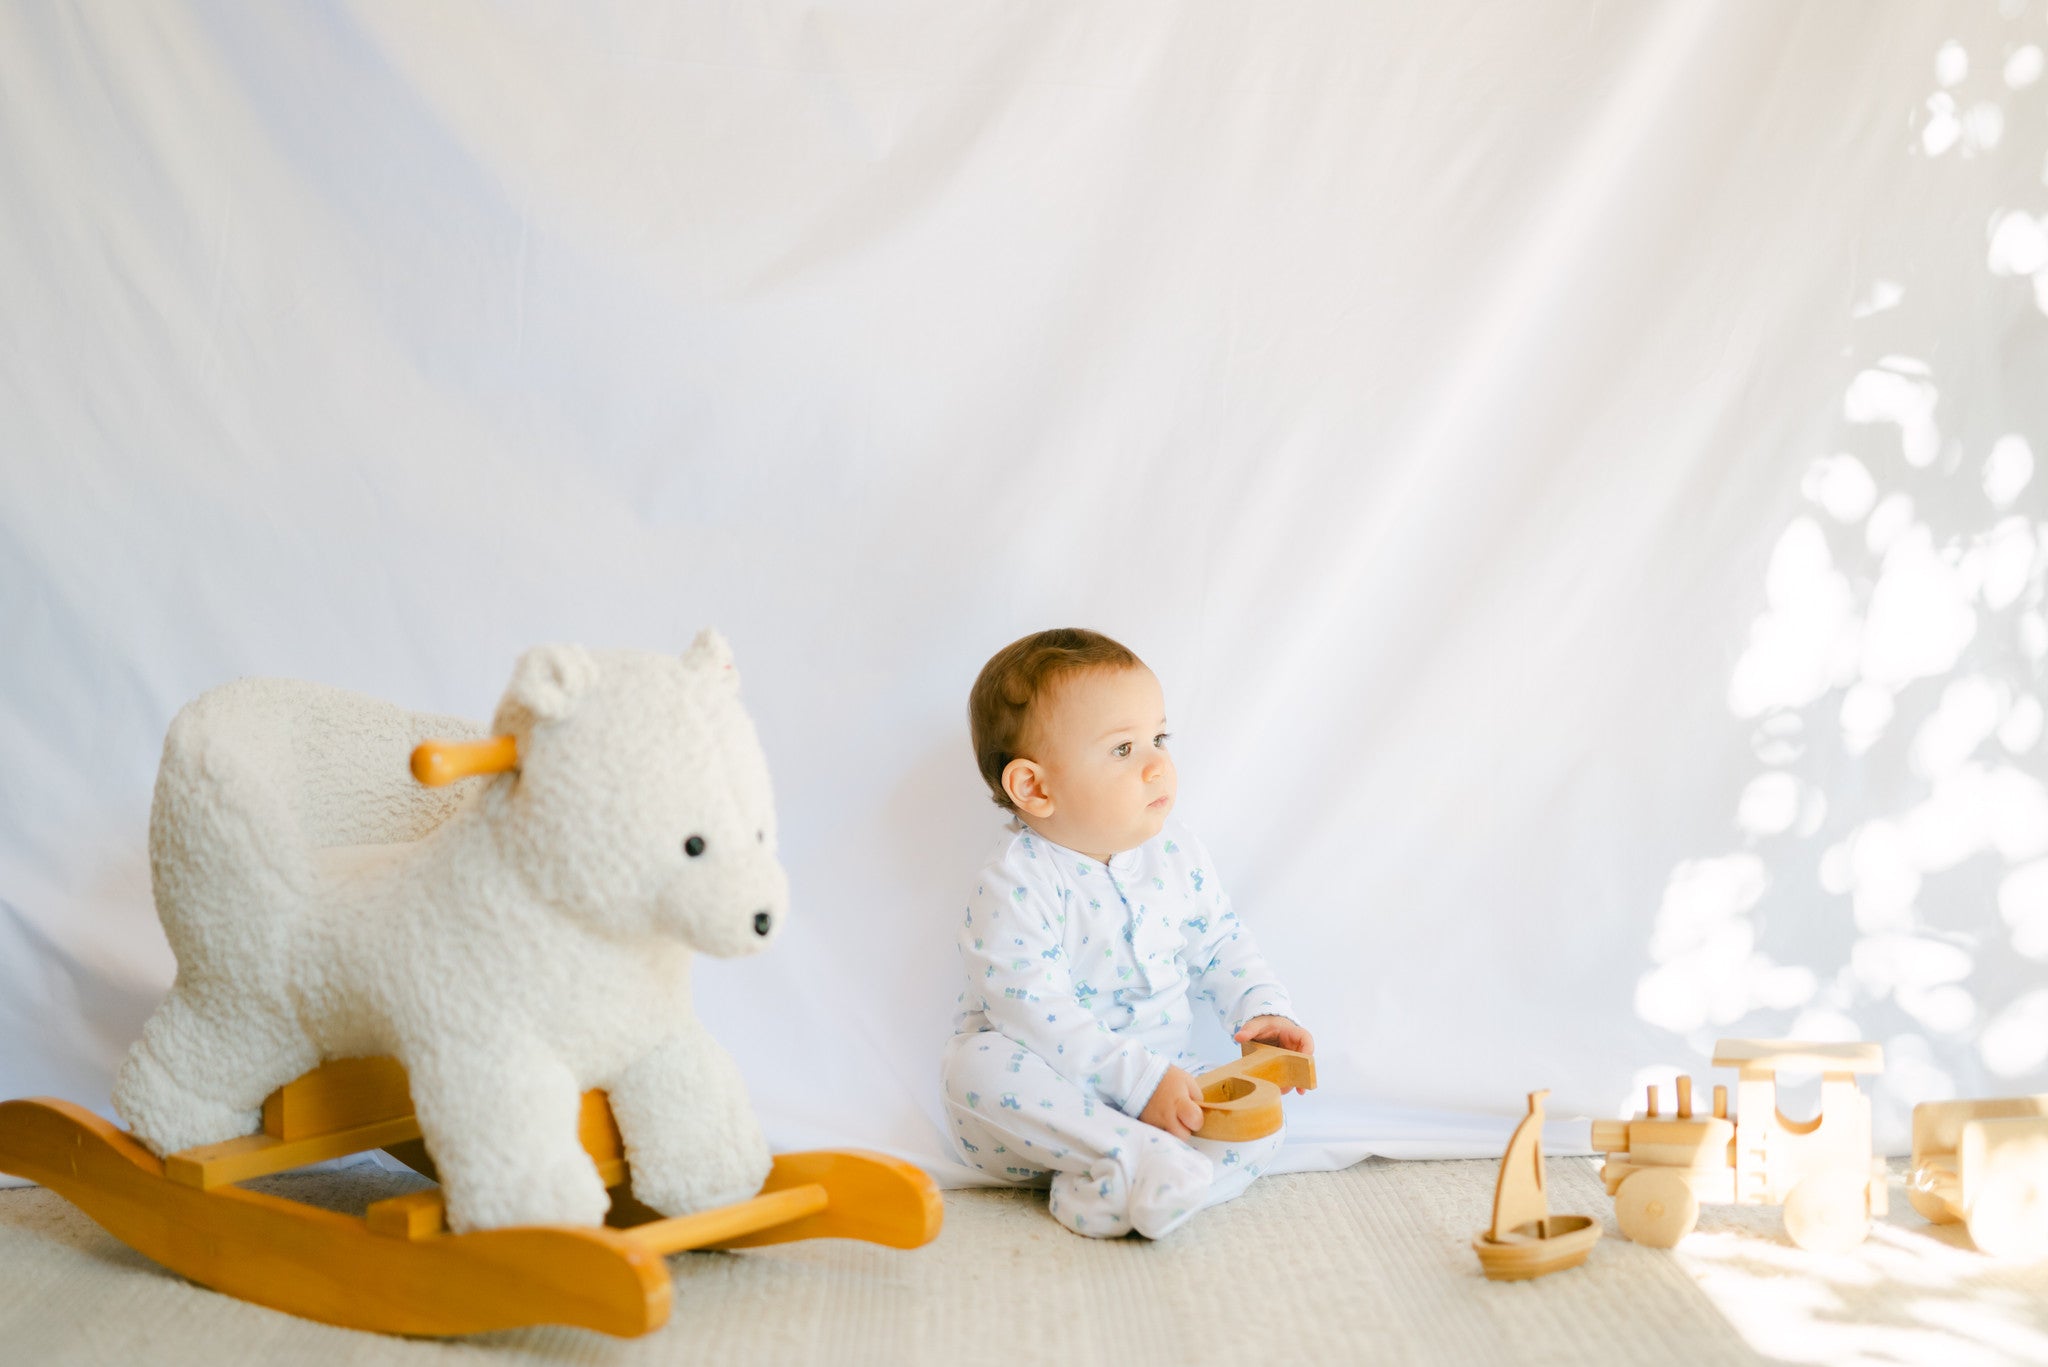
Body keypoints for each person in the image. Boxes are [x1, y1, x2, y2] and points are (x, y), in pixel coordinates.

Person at [940, 627, 1313, 1238]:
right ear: (1035, 787)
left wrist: (1263, 1009)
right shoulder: (1015, 881)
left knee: (1262, 1127)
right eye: (1122, 749)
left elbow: (1221, 943)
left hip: (1168, 1077)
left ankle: (1119, 1186)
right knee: (974, 1067)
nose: (1158, 764)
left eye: (1159, 738)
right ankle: (1129, 1155)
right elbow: (1032, 1010)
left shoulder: (1178, 853)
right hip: (1048, 1098)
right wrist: (1135, 1083)